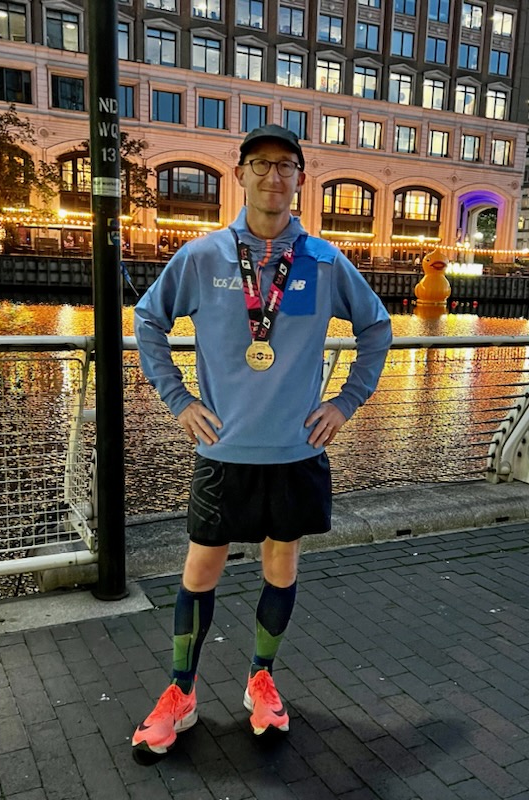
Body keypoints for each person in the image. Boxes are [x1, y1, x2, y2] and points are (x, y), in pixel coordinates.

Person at [132, 124, 392, 760]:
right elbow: (147, 321)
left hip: (296, 452)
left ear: (300, 178)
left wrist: (345, 402)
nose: (273, 176)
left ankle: (261, 679)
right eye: (260, 164)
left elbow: (377, 328)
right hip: (223, 453)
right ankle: (180, 692)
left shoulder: (324, 261)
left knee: (282, 568)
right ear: (240, 173)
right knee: (199, 572)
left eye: (285, 165)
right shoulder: (202, 257)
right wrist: (180, 400)